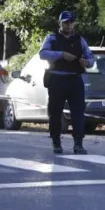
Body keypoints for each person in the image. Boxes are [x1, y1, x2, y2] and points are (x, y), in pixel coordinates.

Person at [39, 11, 94, 155]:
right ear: (60, 23)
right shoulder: (52, 38)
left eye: (71, 22)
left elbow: (91, 59)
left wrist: (87, 62)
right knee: (55, 112)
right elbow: (42, 54)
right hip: (57, 79)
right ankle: (56, 142)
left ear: (74, 24)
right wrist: (61, 55)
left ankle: (78, 144)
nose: (68, 25)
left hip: (75, 79)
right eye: (65, 23)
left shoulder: (80, 40)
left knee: (78, 113)